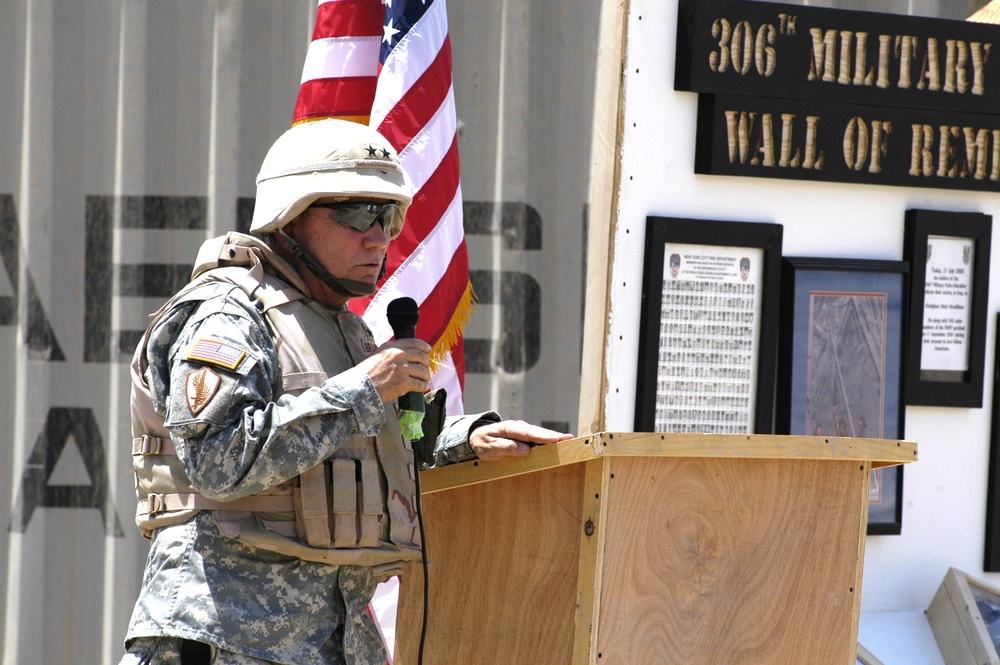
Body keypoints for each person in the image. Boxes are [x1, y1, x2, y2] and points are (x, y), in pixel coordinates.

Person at [119, 118, 572, 665]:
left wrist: (467, 440)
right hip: (223, 638)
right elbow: (219, 460)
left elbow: (359, 450)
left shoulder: (342, 328)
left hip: (334, 642)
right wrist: (365, 387)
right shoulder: (226, 314)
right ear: (290, 217)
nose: (379, 237)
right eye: (358, 215)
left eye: (388, 217)